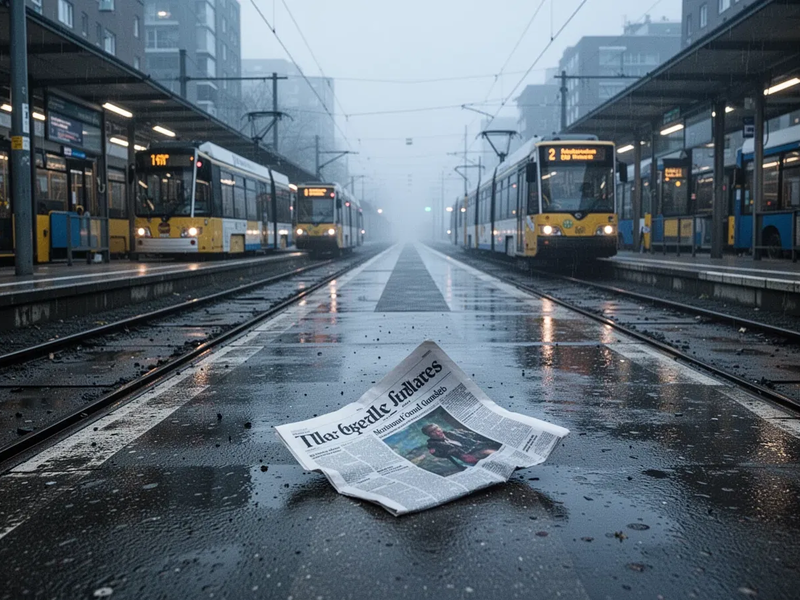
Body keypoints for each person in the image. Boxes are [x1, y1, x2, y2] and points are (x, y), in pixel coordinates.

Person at [421, 423, 498, 467]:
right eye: (432, 432)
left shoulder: (454, 432)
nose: (438, 433)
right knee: (489, 455)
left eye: (437, 429)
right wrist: (461, 455)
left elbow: (473, 435)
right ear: (429, 435)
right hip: (466, 459)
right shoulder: (433, 446)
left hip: (479, 448)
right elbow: (441, 454)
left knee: (492, 452)